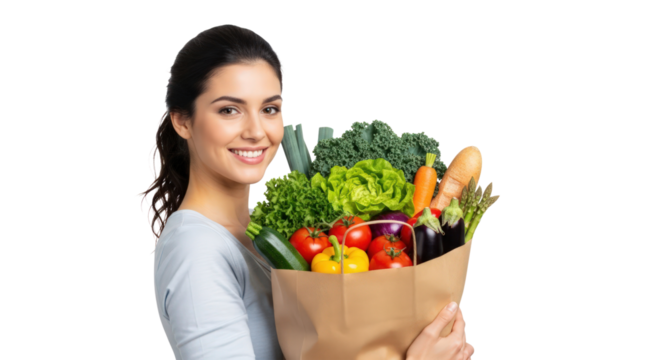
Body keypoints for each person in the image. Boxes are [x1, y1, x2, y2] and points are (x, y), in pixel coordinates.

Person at [138, 23, 475, 360]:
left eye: (269, 108)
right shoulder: (197, 251)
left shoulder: (262, 236)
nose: (257, 131)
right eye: (229, 110)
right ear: (182, 121)